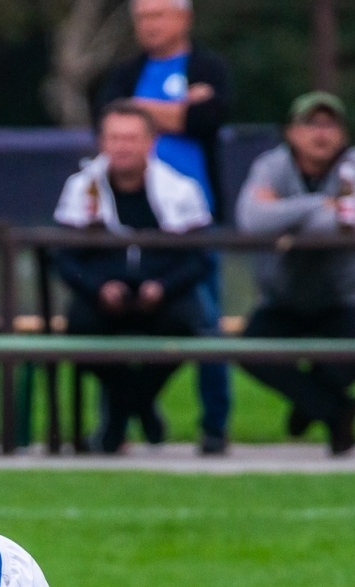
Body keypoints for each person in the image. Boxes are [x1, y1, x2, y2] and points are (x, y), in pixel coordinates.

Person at [95, 0, 233, 454]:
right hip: (126, 221)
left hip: (194, 223)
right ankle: (115, 422)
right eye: (142, 17)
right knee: (106, 321)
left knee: (203, 321)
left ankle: (214, 425)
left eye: (158, 15)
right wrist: (176, 111)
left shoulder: (208, 65)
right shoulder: (125, 70)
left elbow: (209, 119)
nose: (149, 25)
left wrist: (142, 110)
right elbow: (109, 118)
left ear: (185, 18)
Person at [53, 102, 211, 455]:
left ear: (150, 143)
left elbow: (199, 259)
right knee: (79, 325)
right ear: (102, 143)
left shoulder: (181, 190)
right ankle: (140, 406)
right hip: (104, 300)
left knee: (187, 322)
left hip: (164, 298)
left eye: (131, 138)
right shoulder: (80, 189)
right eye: (114, 138)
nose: (122, 146)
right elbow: (64, 258)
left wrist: (163, 287)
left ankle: (120, 416)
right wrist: (99, 288)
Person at [235, 92, 355, 456]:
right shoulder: (271, 165)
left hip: (342, 300)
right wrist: (318, 205)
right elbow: (251, 220)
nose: (321, 134)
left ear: (343, 134)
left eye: (330, 125)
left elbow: (353, 221)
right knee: (249, 349)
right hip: (282, 299)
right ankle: (334, 410)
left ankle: (310, 404)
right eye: (311, 124)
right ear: (291, 133)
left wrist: (285, 219)